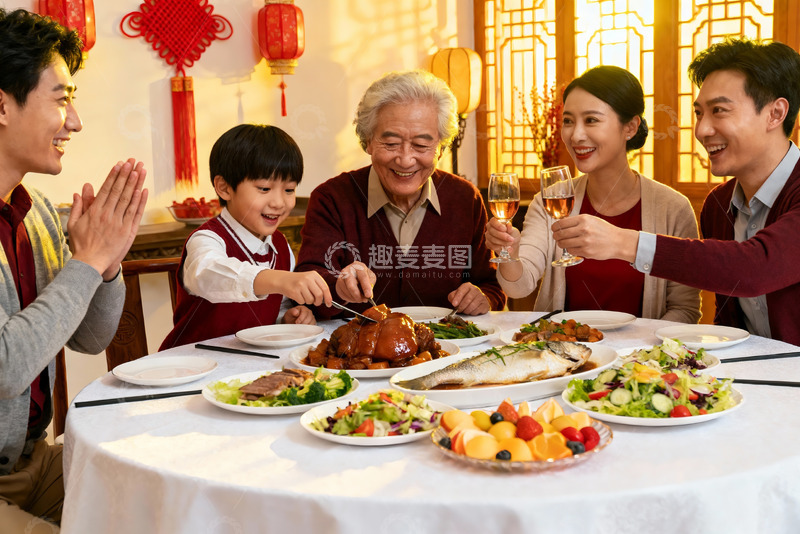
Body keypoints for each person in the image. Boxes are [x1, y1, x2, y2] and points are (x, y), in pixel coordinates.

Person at [0, 8, 148, 531]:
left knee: (156, 497)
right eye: (62, 100)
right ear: (1, 104)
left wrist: (106, 265)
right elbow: (6, 368)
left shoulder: (35, 209)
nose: (77, 122)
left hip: (34, 461)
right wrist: (86, 261)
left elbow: (90, 336)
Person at [552, 38, 800, 344]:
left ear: (775, 114)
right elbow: (728, 323)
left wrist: (623, 241)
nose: (702, 130)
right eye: (699, 113)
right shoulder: (718, 206)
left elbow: (753, 269)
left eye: (719, 111)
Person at [486, 66, 700, 322]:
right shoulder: (548, 201)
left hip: (637, 358)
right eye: (568, 121)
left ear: (630, 127)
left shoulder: (673, 209)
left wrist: (636, 355)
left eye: (591, 120)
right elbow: (518, 287)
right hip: (565, 353)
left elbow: (684, 309)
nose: (576, 135)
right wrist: (510, 250)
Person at [296, 70, 505, 317]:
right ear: (368, 141)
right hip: (359, 351)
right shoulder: (332, 198)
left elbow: (491, 285)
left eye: (421, 145)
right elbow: (308, 284)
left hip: (446, 350)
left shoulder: (464, 199)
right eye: (391, 143)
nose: (406, 160)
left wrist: (482, 298)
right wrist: (338, 287)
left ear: (441, 147)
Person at [160, 124, 332, 349]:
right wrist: (280, 280)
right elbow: (208, 274)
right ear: (224, 188)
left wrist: (287, 318)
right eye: (264, 188)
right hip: (189, 366)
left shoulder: (279, 245)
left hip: (246, 366)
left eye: (289, 190)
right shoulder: (207, 239)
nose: (279, 202)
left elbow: (275, 308)